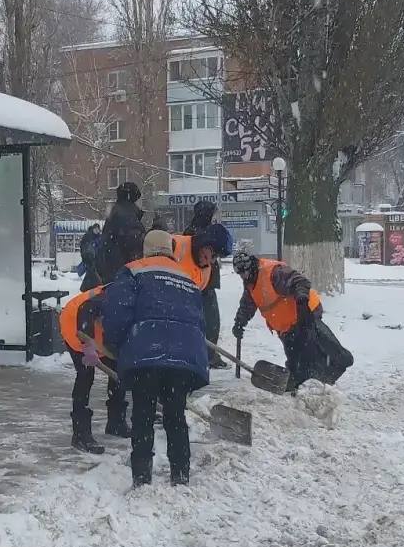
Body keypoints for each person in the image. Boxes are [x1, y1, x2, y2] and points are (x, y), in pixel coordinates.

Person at [102, 230, 209, 487]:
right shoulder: (187, 278)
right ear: (170, 250)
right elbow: (200, 321)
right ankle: (180, 474)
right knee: (175, 416)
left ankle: (142, 476)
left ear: (146, 249)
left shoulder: (133, 271)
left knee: (143, 415)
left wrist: (117, 347)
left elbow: (117, 313)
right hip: (184, 357)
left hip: (147, 354)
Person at [231, 249, 353, 391]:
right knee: (296, 359)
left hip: (305, 314)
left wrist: (301, 298)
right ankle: (302, 381)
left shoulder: (273, 272)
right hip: (286, 326)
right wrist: (239, 322)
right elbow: (247, 304)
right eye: (241, 274)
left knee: (311, 353)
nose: (244, 277)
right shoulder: (250, 283)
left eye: (245, 272)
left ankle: (319, 378)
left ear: (251, 265)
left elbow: (300, 282)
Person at [57, 284, 126, 454]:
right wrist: (88, 347)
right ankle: (80, 434)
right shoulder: (120, 294)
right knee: (86, 374)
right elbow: (86, 309)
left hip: (99, 332)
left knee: (120, 368)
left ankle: (116, 423)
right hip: (76, 325)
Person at [183, 201, 228, 367]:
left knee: (208, 322)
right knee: (209, 322)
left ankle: (207, 354)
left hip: (200, 283)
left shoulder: (196, 230)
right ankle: (206, 355)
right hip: (200, 284)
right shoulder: (199, 233)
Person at [87, 181, 146, 289]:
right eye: (139, 199)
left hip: (112, 276)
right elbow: (135, 248)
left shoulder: (115, 215)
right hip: (124, 279)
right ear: (132, 199)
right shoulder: (128, 217)